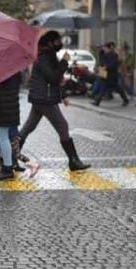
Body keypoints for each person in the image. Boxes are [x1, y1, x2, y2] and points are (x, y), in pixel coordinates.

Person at [18, 31, 90, 172]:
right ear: (50, 43)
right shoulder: (44, 57)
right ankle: (74, 161)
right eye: (57, 41)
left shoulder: (49, 56)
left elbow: (55, 80)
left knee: (28, 128)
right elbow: (52, 77)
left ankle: (8, 157)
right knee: (62, 126)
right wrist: (64, 62)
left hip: (42, 98)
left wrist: (62, 95)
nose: (59, 43)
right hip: (45, 99)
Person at [92, 42, 129, 106]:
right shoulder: (103, 54)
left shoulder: (114, 55)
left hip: (111, 74)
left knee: (118, 88)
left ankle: (126, 100)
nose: (103, 48)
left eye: (104, 47)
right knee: (103, 88)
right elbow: (101, 61)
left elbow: (114, 64)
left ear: (107, 48)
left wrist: (106, 67)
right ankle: (97, 102)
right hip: (104, 74)